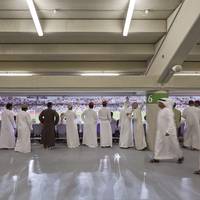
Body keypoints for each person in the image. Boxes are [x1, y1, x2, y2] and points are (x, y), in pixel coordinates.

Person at [150, 98, 184, 163]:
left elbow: (171, 122)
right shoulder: (161, 110)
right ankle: (156, 157)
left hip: (168, 132)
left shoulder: (168, 111)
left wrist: (168, 131)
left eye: (160, 103)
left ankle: (180, 156)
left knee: (173, 144)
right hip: (160, 131)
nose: (158, 104)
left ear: (164, 104)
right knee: (158, 144)